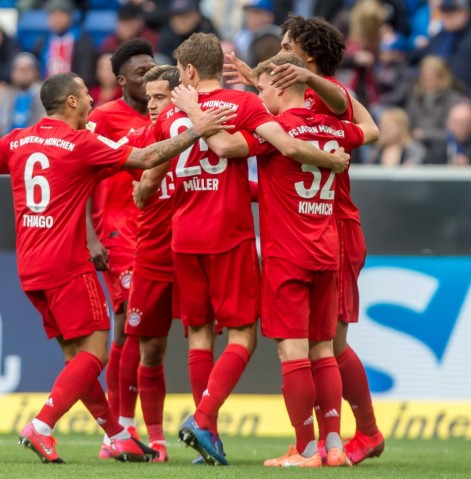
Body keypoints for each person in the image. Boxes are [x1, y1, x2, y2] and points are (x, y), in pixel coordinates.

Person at [0, 71, 236, 464]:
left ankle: (116, 435)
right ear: (72, 102)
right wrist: (197, 129)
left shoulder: (18, 139)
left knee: (75, 358)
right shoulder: (82, 143)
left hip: (30, 267)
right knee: (96, 353)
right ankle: (42, 424)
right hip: (67, 264)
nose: (93, 102)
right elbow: (147, 157)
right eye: (86, 96)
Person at [145, 32, 349, 466]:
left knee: (200, 336)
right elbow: (365, 128)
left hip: (186, 237)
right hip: (243, 235)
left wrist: (145, 191)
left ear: (189, 71)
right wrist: (332, 158)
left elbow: (150, 175)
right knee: (271, 339)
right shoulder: (253, 108)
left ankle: (210, 434)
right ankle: (325, 443)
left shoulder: (173, 116)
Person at [223, 15, 387, 465]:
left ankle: (344, 438)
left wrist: (207, 111)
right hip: (323, 231)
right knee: (325, 346)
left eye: (284, 46)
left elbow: (236, 145)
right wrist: (263, 83)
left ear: (304, 59)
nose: (277, 51)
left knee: (322, 346)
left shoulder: (321, 102)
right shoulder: (324, 116)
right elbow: (364, 130)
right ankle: (335, 443)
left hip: (326, 231)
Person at [83, 39, 156, 458]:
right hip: (116, 232)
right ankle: (120, 428)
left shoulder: (164, 113)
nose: (148, 76)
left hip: (154, 232)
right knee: (129, 320)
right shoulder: (104, 117)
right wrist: (90, 237)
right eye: (140, 72)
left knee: (141, 331)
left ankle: (124, 429)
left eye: (153, 68)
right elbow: (82, 174)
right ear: (121, 80)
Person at [123, 64, 182, 463]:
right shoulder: (138, 140)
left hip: (199, 256)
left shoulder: (200, 136)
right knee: (151, 350)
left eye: (160, 97)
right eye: (149, 98)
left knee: (205, 346)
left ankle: (207, 428)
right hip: (153, 259)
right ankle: (157, 439)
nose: (152, 105)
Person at [411, 0, 471, 90]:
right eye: (444, 11)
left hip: (460, 93)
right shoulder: (441, 35)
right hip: (431, 89)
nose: (447, 16)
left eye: (452, 12)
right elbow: (422, 54)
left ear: (465, 13)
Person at [405, 55, 467, 147]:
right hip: (415, 145)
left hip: (441, 147)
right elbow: (409, 123)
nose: (426, 78)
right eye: (423, 75)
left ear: (443, 77)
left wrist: (425, 134)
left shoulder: (455, 101)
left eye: (430, 75)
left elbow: (455, 134)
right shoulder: (414, 96)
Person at [32, 0, 98, 87]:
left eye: (60, 15)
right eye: (52, 16)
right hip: (47, 88)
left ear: (70, 17)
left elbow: (85, 70)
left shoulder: (81, 40)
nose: (56, 20)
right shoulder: (43, 41)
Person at [0, 52, 46, 138]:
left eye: (27, 68)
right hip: (6, 143)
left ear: (36, 72)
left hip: (35, 143)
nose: (23, 72)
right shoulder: (2, 96)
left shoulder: (44, 94)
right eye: (19, 69)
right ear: (12, 72)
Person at [156, 0, 218, 65]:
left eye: (186, 15)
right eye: (177, 15)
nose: (181, 20)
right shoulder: (167, 31)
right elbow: (163, 57)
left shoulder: (206, 29)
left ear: (197, 15)